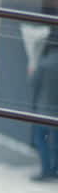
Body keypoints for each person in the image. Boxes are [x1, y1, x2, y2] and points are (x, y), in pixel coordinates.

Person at [31, 24, 58, 181]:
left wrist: (32, 72)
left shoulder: (44, 64)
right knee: (56, 142)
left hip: (43, 111)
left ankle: (46, 171)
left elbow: (33, 84)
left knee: (41, 140)